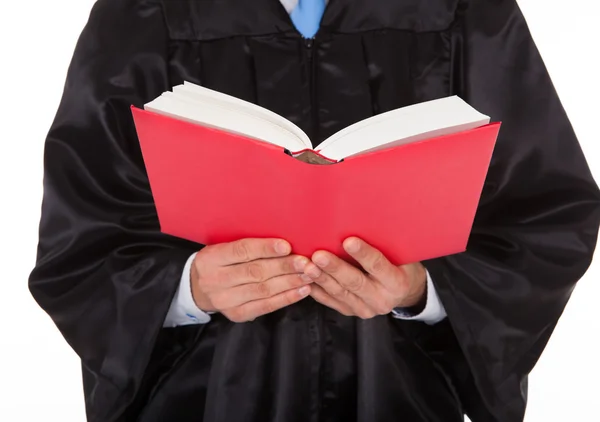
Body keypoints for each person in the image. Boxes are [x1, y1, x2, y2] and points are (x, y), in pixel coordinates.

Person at [29, 0, 600, 421]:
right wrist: (187, 290)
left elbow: (545, 212)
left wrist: (420, 292)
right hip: (202, 399)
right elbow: (83, 230)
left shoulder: (461, 11)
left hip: (401, 394)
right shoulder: (146, 12)